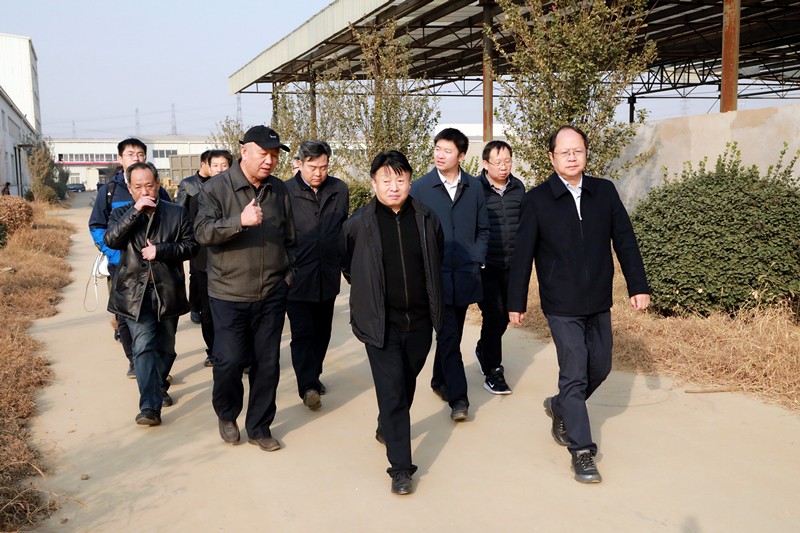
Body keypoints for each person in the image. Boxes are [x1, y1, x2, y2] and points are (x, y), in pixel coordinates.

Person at [508, 125, 651, 484]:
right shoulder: (538, 200)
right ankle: (581, 451)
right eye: (564, 152)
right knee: (574, 372)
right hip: (561, 303)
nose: (572, 157)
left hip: (599, 299)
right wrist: (516, 301)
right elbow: (522, 255)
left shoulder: (603, 191)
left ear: (586, 153)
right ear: (551, 157)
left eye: (578, 151)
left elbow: (625, 239)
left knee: (599, 367)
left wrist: (638, 285)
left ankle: (560, 405)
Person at [341, 150, 444, 495]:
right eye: (386, 180)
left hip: (420, 321)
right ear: (374, 184)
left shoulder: (426, 218)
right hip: (380, 324)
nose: (393, 186)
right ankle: (401, 467)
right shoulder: (359, 223)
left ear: (410, 181)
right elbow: (348, 263)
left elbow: (437, 256)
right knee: (393, 390)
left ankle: (388, 424)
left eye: (400, 179)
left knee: (406, 380)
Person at [194, 125, 296, 452]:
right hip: (228, 293)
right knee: (230, 361)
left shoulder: (279, 190)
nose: (270, 161)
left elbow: (291, 238)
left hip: (271, 293)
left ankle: (259, 426)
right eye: (264, 154)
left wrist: (288, 276)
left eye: (275, 155)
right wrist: (239, 221)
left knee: (267, 364)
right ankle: (227, 414)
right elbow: (202, 232)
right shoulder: (215, 188)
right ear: (245, 151)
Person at [104, 162, 197, 426]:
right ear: (129, 188)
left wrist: (162, 250)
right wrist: (135, 212)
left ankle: (158, 387)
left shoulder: (177, 213)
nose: (144, 191)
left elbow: (192, 247)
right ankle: (149, 407)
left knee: (166, 349)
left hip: (167, 291)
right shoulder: (120, 213)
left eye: (149, 185)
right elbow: (111, 240)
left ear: (157, 184)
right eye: (138, 186)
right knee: (143, 346)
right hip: (134, 293)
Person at [410, 127, 489, 421]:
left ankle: (438, 380)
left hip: (465, 275)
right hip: (435, 277)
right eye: (437, 149)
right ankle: (459, 398)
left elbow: (483, 228)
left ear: (461, 155)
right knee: (449, 334)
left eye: (447, 151)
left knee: (450, 336)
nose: (440, 155)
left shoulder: (474, 188)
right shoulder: (421, 188)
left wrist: (476, 257)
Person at [88, 138, 171, 379]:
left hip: (155, 265)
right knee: (125, 316)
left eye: (141, 154)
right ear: (120, 159)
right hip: (122, 266)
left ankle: (154, 367)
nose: (136, 157)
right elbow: (97, 227)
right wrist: (117, 254)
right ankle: (135, 361)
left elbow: (170, 221)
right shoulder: (109, 191)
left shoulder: (157, 189)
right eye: (131, 154)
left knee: (157, 316)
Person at [285, 140, 349, 410]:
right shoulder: (285, 192)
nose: (318, 173)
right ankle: (308, 385)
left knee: (322, 332)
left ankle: (313, 375)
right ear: (299, 164)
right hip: (297, 277)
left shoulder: (339, 189)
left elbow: (343, 231)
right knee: (302, 333)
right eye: (312, 167)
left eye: (323, 167)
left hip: (327, 275)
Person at [474, 141, 525, 395]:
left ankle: (484, 348)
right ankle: (493, 371)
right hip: (486, 265)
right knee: (494, 314)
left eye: (507, 161)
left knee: (506, 315)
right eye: (498, 162)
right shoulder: (474, 190)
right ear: (485, 164)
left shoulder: (518, 188)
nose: (504, 167)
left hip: (513, 265)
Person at [176, 149, 232, 367]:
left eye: (224, 165)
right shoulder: (197, 196)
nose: (219, 169)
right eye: (215, 165)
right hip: (203, 258)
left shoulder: (240, 194)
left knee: (231, 312)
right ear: (207, 166)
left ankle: (237, 352)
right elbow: (187, 223)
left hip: (232, 260)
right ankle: (213, 351)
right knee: (208, 311)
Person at [177, 150, 212, 325]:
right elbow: (180, 209)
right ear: (203, 164)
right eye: (213, 164)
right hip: (195, 235)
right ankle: (194, 307)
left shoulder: (219, 182)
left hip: (212, 234)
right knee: (195, 273)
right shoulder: (188, 184)